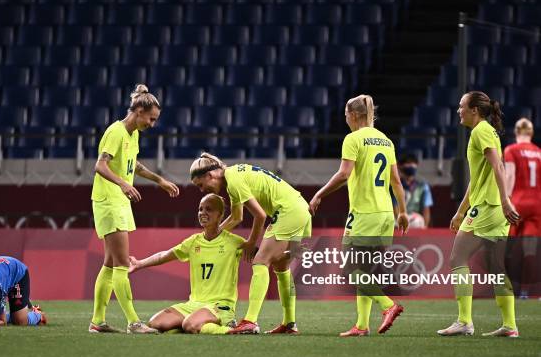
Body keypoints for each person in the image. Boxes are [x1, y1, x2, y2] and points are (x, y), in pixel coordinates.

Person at [309, 94, 409, 337]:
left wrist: (319, 194)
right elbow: (396, 180)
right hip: (386, 213)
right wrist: (403, 211)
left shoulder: (353, 139)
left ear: (353, 115)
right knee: (363, 269)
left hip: (364, 214)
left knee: (349, 269)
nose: (345, 120)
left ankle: (388, 305)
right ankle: (362, 325)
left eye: (345, 115)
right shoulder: (385, 140)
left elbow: (344, 174)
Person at [89, 84, 180, 334]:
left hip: (118, 201)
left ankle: (97, 322)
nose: (152, 124)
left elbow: (134, 165)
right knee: (121, 263)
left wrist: (159, 180)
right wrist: (122, 184)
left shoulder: (133, 134)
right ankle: (133, 322)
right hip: (109, 200)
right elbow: (100, 166)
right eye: (151, 119)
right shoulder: (115, 131)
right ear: (139, 110)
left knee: (109, 264)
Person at [190, 153, 312, 334]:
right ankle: (289, 323)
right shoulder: (233, 176)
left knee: (260, 262)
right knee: (281, 266)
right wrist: (215, 235)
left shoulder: (234, 181)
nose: (202, 190)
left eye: (201, 185)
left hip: (289, 211)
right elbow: (237, 217)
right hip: (300, 208)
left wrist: (250, 243)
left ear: (210, 175)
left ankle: (250, 321)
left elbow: (260, 215)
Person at [438, 91, 520, 337]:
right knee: (496, 266)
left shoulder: (480, 131)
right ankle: (510, 325)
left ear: (474, 110)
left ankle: (464, 321)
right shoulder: (488, 131)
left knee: (457, 259)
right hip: (493, 206)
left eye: (462, 106)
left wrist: (505, 200)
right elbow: (478, 178)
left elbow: (498, 165)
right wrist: (460, 211)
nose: (458, 110)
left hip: (488, 206)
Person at [129, 194, 244, 334]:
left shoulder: (234, 242)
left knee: (190, 324)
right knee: (155, 323)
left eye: (209, 209)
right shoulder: (193, 241)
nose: (203, 213)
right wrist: (139, 264)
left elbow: (260, 255)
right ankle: (194, 325)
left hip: (220, 305)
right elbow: (164, 255)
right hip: (193, 305)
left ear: (220, 214)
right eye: (200, 209)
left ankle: (230, 329)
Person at [504, 118, 540, 299]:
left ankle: (509, 289)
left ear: (516, 132)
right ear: (531, 133)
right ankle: (526, 291)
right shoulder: (539, 152)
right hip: (536, 204)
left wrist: (506, 201)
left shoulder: (511, 150)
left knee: (509, 250)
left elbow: (509, 177)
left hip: (517, 203)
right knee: (531, 251)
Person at [397, 153, 434, 228]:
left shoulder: (423, 186)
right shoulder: (395, 186)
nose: (412, 166)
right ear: (399, 166)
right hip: (398, 219)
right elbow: (394, 207)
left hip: (413, 219)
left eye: (414, 163)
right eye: (408, 163)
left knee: (418, 221)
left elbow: (426, 209)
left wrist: (425, 227)